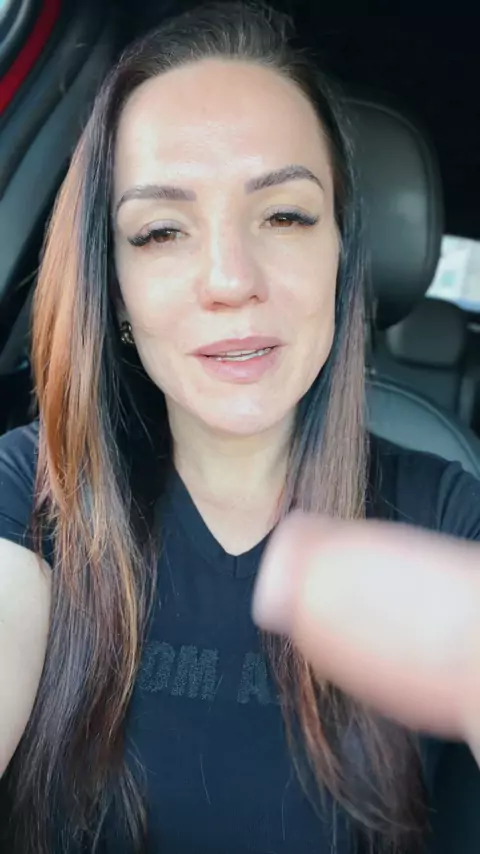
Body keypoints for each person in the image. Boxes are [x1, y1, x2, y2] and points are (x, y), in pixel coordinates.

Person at [0, 2, 479, 852]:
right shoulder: (28, 494)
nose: (229, 280)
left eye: (285, 216)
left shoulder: (448, 515)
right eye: (161, 231)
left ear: (342, 253)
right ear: (116, 290)